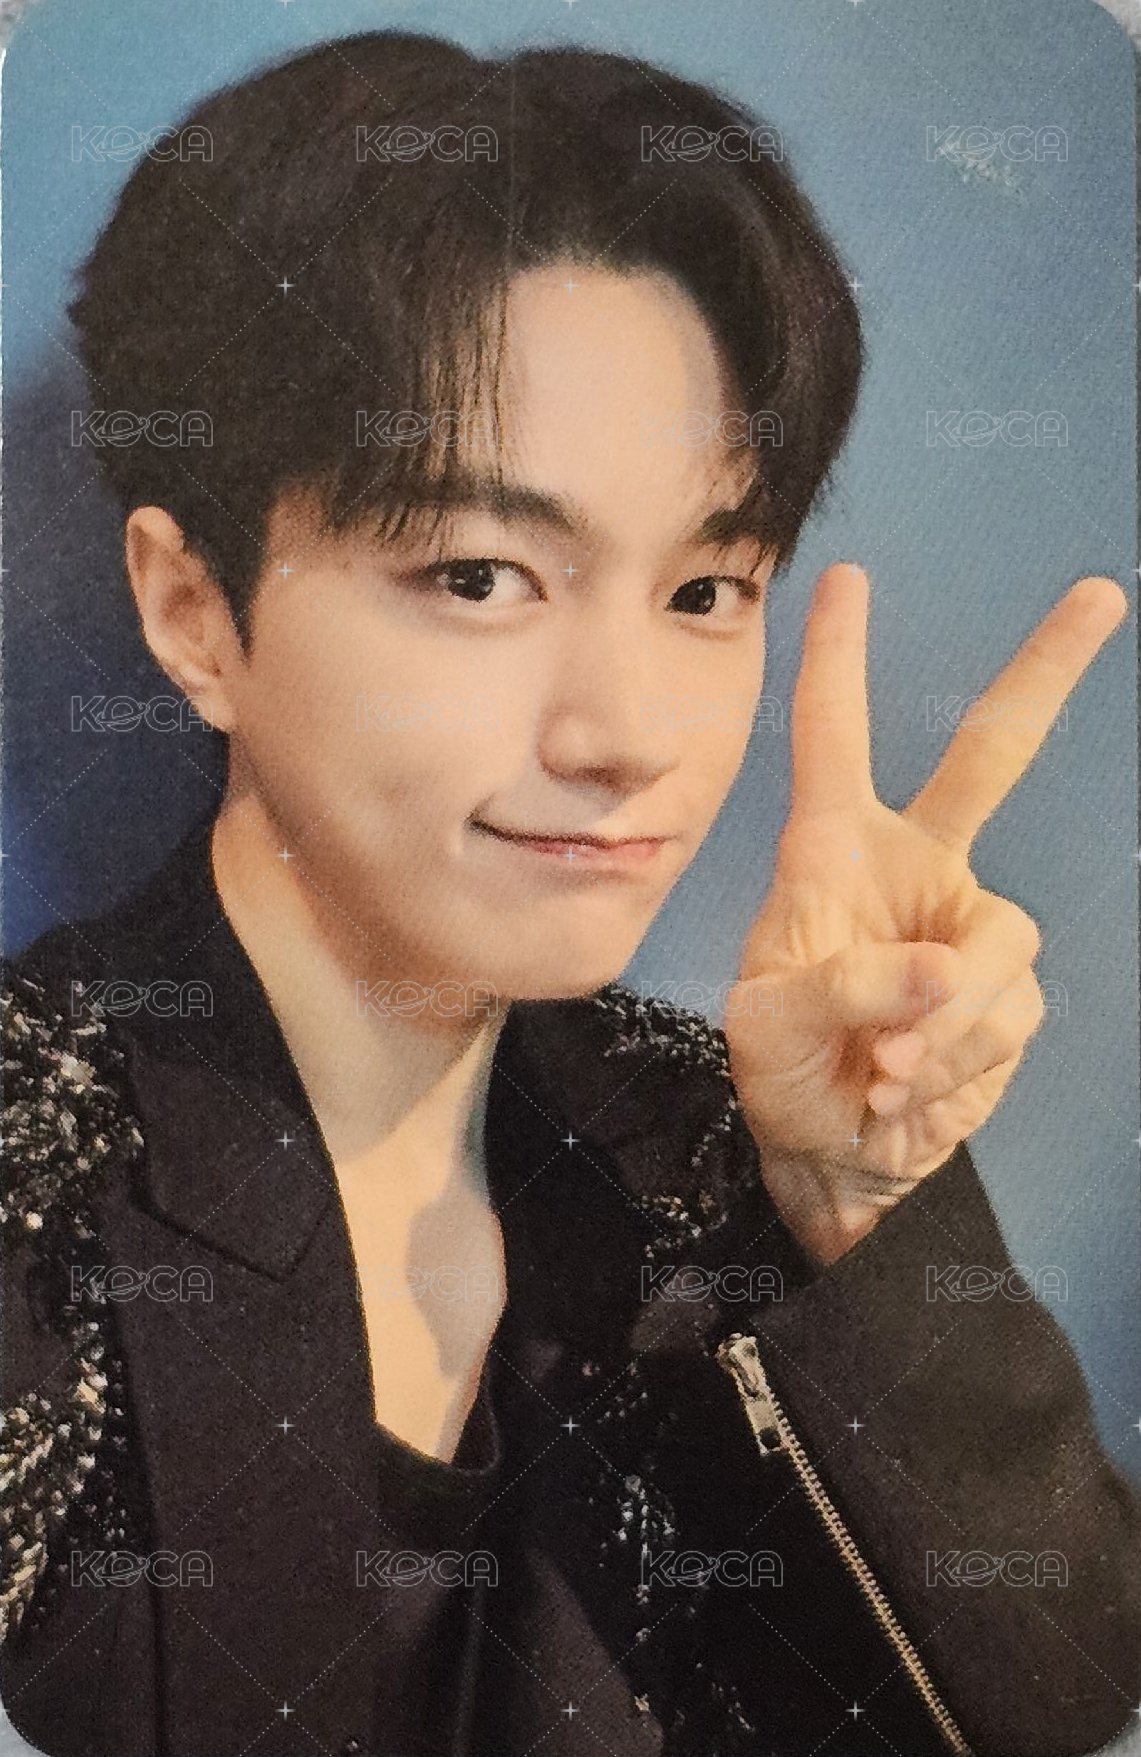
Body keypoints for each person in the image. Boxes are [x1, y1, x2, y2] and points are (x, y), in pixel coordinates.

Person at [2, 29, 1137, 1757]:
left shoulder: (714, 1147)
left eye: (704, 590)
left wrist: (862, 1211)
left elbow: (1067, 1707)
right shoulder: (38, 1173)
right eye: (480, 575)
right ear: (192, 612)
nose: (627, 738)